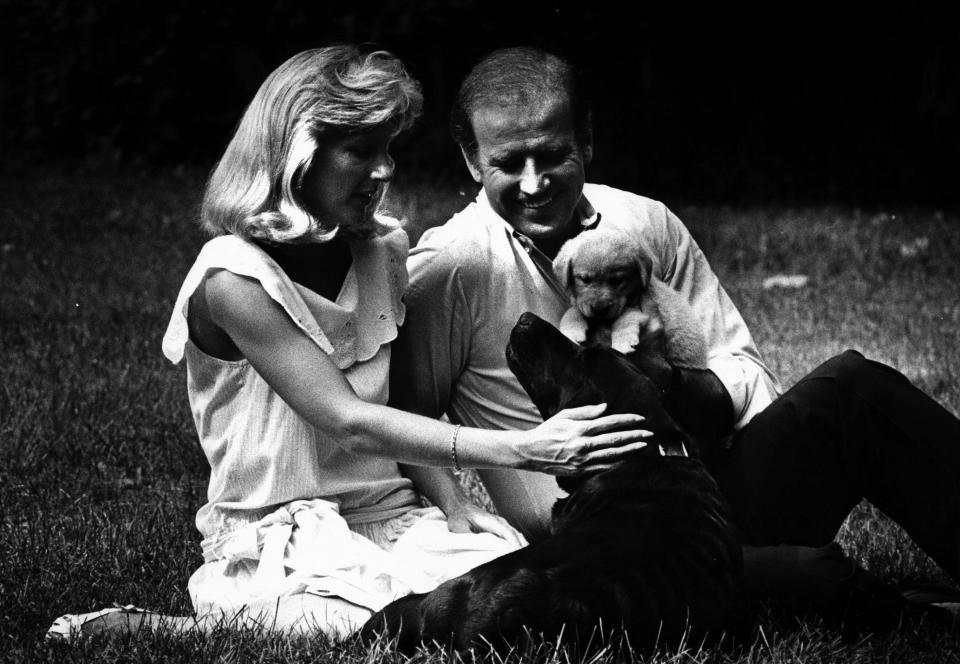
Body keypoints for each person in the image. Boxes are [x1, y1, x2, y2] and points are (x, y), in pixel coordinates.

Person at [45, 45, 652, 642]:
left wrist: (452, 503)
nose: (385, 169)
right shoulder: (232, 277)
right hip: (285, 530)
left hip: (394, 516)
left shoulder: (383, 248)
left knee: (518, 610)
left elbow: (397, 410)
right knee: (369, 632)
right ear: (296, 156)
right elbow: (349, 420)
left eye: (388, 148)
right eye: (361, 150)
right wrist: (524, 449)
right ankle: (180, 629)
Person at [390, 46, 960, 626]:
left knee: (854, 388)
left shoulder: (644, 224)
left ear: (586, 140)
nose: (533, 183)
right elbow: (407, 416)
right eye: (509, 164)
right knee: (810, 576)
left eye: (553, 155)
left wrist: (669, 380)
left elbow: (746, 373)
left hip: (711, 492)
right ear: (471, 160)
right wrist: (455, 506)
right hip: (609, 545)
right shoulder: (448, 270)